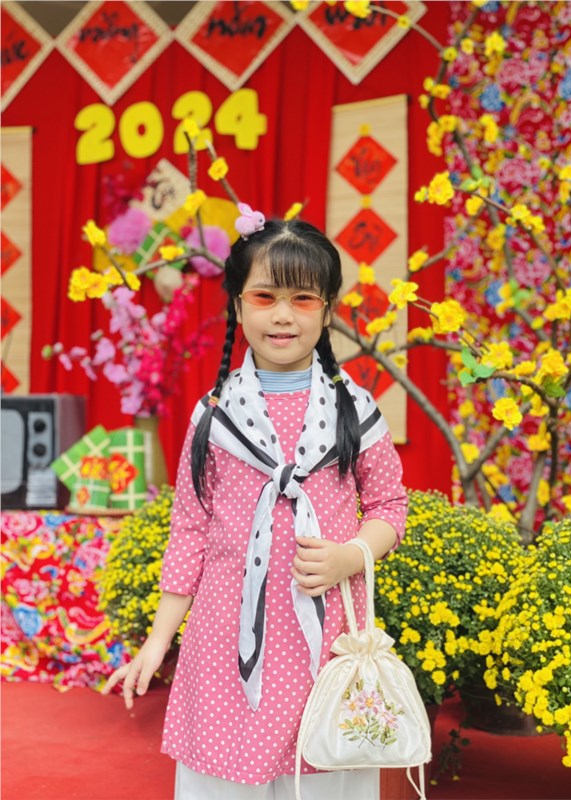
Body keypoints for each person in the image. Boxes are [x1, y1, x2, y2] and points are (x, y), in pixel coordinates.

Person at [103, 217, 409, 800]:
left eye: (303, 298)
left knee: (325, 772)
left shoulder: (356, 410)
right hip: (224, 639)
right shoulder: (213, 416)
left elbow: (389, 504)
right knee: (225, 776)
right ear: (238, 306)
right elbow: (189, 531)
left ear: (328, 309)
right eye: (265, 297)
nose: (283, 315)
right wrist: (157, 641)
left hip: (328, 638)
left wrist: (351, 555)